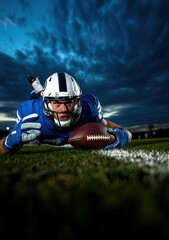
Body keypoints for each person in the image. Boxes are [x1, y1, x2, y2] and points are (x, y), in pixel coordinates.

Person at [0, 72, 132, 154]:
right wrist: (8, 143)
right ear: (46, 103)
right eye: (57, 103)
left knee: (49, 96)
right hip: (40, 101)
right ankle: (39, 90)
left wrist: (124, 136)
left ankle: (43, 92)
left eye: (69, 102)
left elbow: (120, 130)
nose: (63, 109)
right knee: (38, 95)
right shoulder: (30, 112)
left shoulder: (88, 108)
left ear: (78, 102)